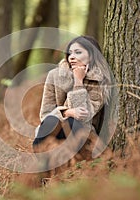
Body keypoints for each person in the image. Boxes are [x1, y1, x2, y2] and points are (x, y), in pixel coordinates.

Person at [32, 36, 112, 171]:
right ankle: (44, 173)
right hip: (55, 127)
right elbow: (45, 114)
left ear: (92, 55)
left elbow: (83, 116)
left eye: (78, 52)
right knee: (51, 120)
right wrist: (66, 112)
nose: (72, 57)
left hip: (83, 133)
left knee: (73, 122)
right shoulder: (55, 75)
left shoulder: (100, 81)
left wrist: (78, 82)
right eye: (70, 53)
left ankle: (68, 171)